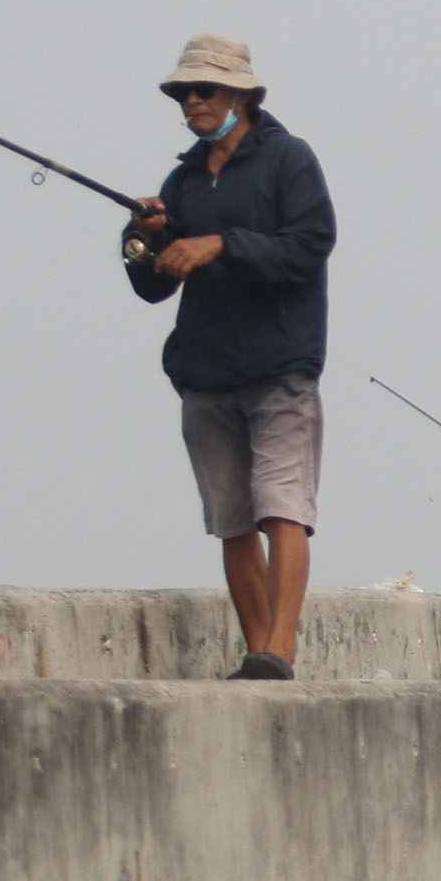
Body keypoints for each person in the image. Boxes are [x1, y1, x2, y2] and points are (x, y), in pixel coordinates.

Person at [125, 34, 336, 680]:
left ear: (240, 96)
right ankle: (258, 654)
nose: (191, 101)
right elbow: (152, 285)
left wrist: (221, 244)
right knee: (232, 519)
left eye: (203, 90)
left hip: (280, 370)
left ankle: (281, 648)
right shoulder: (183, 180)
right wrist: (145, 236)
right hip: (206, 374)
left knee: (282, 507)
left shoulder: (288, 159)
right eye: (183, 93)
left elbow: (310, 244)